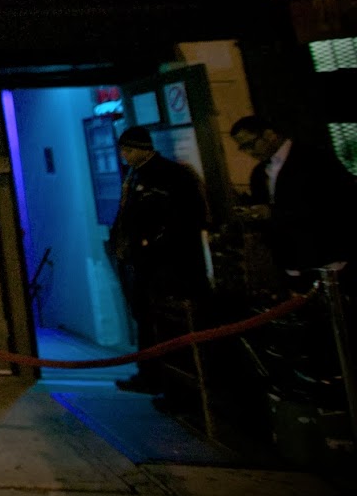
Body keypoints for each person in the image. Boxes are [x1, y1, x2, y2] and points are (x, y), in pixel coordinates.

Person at [107, 126, 209, 396]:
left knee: (165, 320)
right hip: (144, 261)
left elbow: (185, 219)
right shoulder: (136, 175)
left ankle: (170, 382)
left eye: (128, 150)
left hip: (167, 264)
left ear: (142, 148)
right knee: (145, 316)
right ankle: (150, 373)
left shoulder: (170, 176)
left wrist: (153, 245)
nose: (124, 155)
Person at [230, 115, 357, 289]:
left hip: (327, 255)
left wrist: (274, 212)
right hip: (290, 259)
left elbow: (335, 203)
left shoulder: (313, 157)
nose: (250, 152)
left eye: (251, 144)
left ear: (269, 135)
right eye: (243, 148)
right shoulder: (259, 173)